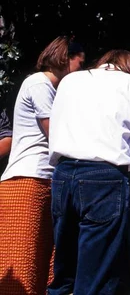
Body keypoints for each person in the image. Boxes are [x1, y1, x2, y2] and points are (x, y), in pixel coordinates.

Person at [48, 50, 130, 295]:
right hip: (103, 177)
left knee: (64, 270)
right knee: (97, 275)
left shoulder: (70, 81)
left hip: (63, 173)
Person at [0, 36, 85, 295]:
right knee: (21, 261)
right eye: (80, 62)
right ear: (64, 58)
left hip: (42, 181)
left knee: (44, 265)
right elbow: (56, 133)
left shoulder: (51, 87)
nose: (81, 69)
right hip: (27, 181)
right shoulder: (39, 84)